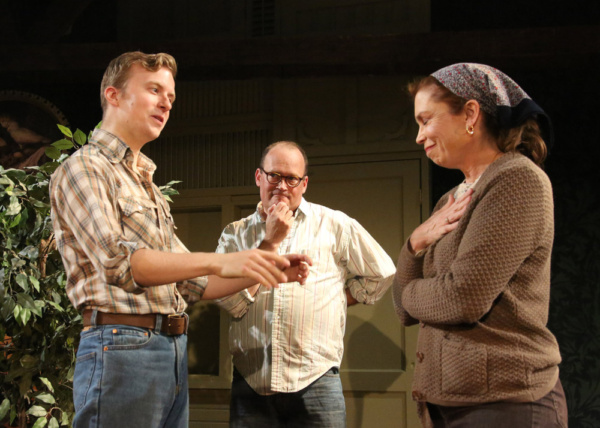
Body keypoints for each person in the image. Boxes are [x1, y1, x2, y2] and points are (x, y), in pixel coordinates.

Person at [49, 52, 310, 428]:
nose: (165, 103)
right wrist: (219, 259)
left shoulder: (147, 186)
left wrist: (267, 262)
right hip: (122, 345)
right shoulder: (84, 168)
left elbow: (198, 285)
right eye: (154, 90)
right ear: (114, 95)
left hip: (167, 349)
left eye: (170, 97)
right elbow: (118, 263)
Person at [392, 63, 568, 428]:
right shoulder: (448, 202)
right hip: (451, 404)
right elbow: (403, 312)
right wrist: (413, 245)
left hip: (506, 404)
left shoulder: (516, 180)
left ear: (470, 114)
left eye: (426, 120)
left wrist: (410, 289)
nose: (419, 136)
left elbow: (462, 298)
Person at [214, 141, 396, 427]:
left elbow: (382, 273)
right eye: (274, 175)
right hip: (250, 382)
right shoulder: (234, 234)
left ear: (304, 183)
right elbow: (230, 303)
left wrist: (338, 296)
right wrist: (270, 241)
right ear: (259, 177)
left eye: (291, 178)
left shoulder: (335, 224)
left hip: (317, 380)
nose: (282, 186)